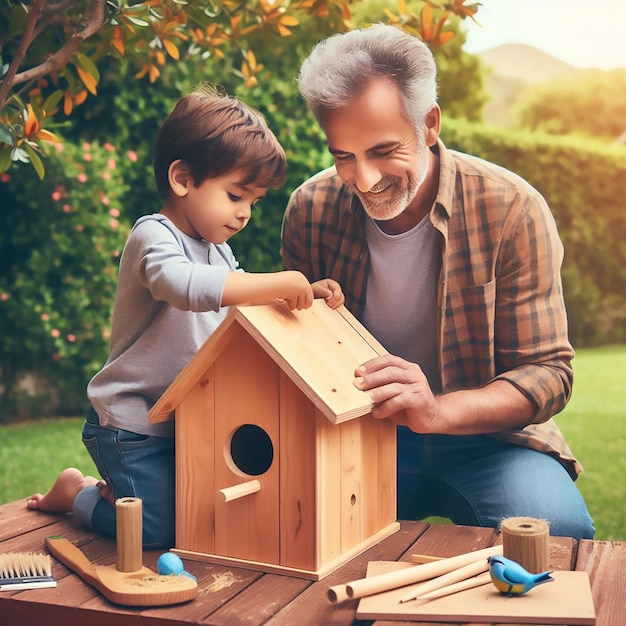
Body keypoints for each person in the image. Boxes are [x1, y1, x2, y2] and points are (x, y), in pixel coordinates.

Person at [281, 24, 594, 539]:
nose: (363, 179)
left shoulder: (513, 209)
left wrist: (435, 411)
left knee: (555, 535)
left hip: (489, 440)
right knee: (290, 532)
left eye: (383, 150)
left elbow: (548, 373)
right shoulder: (310, 210)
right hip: (356, 432)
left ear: (428, 124)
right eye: (343, 155)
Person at [27, 84, 344, 548]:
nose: (244, 214)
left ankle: (119, 495)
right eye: (236, 195)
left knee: (201, 516)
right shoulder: (153, 237)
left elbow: (239, 298)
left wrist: (300, 293)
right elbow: (187, 288)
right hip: (131, 425)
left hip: (190, 420)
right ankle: (75, 492)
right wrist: (280, 280)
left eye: (253, 203)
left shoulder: (218, 248)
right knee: (156, 531)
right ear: (182, 178)